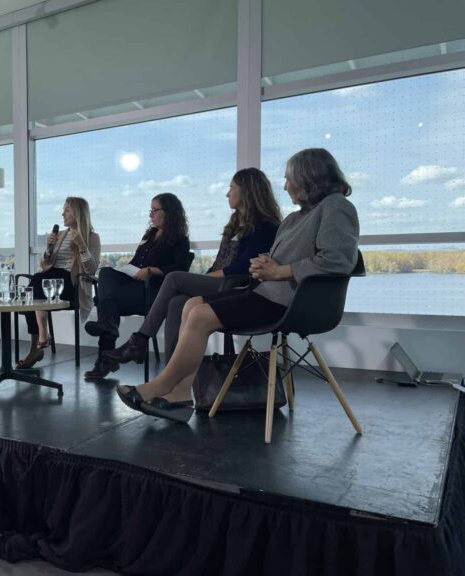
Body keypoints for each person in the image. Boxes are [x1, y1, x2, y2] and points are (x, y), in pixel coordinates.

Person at [115, 148, 360, 422]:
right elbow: (283, 259)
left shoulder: (336, 207)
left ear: (308, 178)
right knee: (192, 304)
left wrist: (279, 271)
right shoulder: (295, 217)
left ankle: (160, 386)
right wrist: (265, 264)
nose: (285, 185)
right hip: (264, 293)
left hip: (290, 303)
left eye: (289, 178)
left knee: (198, 312)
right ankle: (180, 395)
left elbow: (338, 261)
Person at [104, 168, 281, 366]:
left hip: (238, 286)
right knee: (176, 302)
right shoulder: (235, 224)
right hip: (221, 282)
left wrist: (209, 277)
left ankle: (139, 340)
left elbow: (243, 267)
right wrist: (206, 277)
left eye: (231, 188)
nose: (227, 193)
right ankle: (172, 371)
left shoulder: (265, 226)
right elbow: (219, 262)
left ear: (247, 191)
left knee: (174, 278)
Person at [83, 192, 190, 380]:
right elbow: (135, 262)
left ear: (169, 212)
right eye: (151, 211)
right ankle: (108, 332)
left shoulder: (180, 239)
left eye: (155, 210)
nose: (151, 215)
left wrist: (152, 270)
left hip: (153, 293)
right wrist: (126, 269)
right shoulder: (149, 235)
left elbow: (180, 268)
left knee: (105, 302)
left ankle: (105, 360)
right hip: (133, 284)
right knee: (106, 273)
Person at [18, 197, 101, 368]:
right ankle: (39, 340)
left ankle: (39, 342)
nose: (63, 213)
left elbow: (91, 269)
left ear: (78, 213)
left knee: (36, 286)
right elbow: (45, 265)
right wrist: (47, 251)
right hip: (50, 280)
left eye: (67, 210)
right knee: (34, 288)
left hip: (72, 284)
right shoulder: (61, 235)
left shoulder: (92, 237)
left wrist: (82, 245)